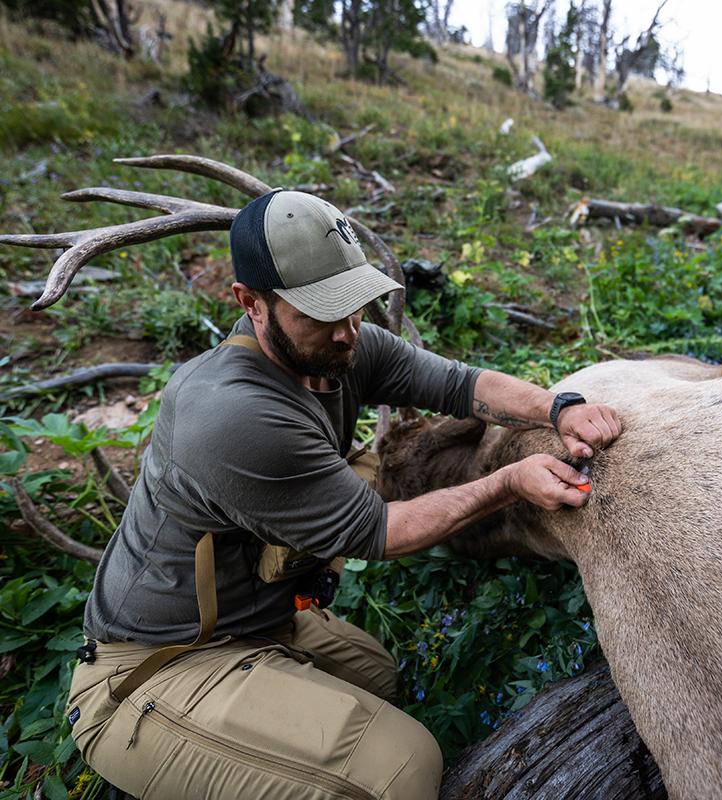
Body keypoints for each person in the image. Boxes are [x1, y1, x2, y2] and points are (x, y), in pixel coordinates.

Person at [67, 190, 621, 799]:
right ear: (251, 303)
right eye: (319, 312)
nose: (345, 330)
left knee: (377, 676)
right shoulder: (232, 414)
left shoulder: (339, 346)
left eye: (354, 304)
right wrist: (509, 481)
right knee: (403, 770)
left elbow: (460, 384)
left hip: (257, 623)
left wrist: (557, 406)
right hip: (160, 666)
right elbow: (381, 531)